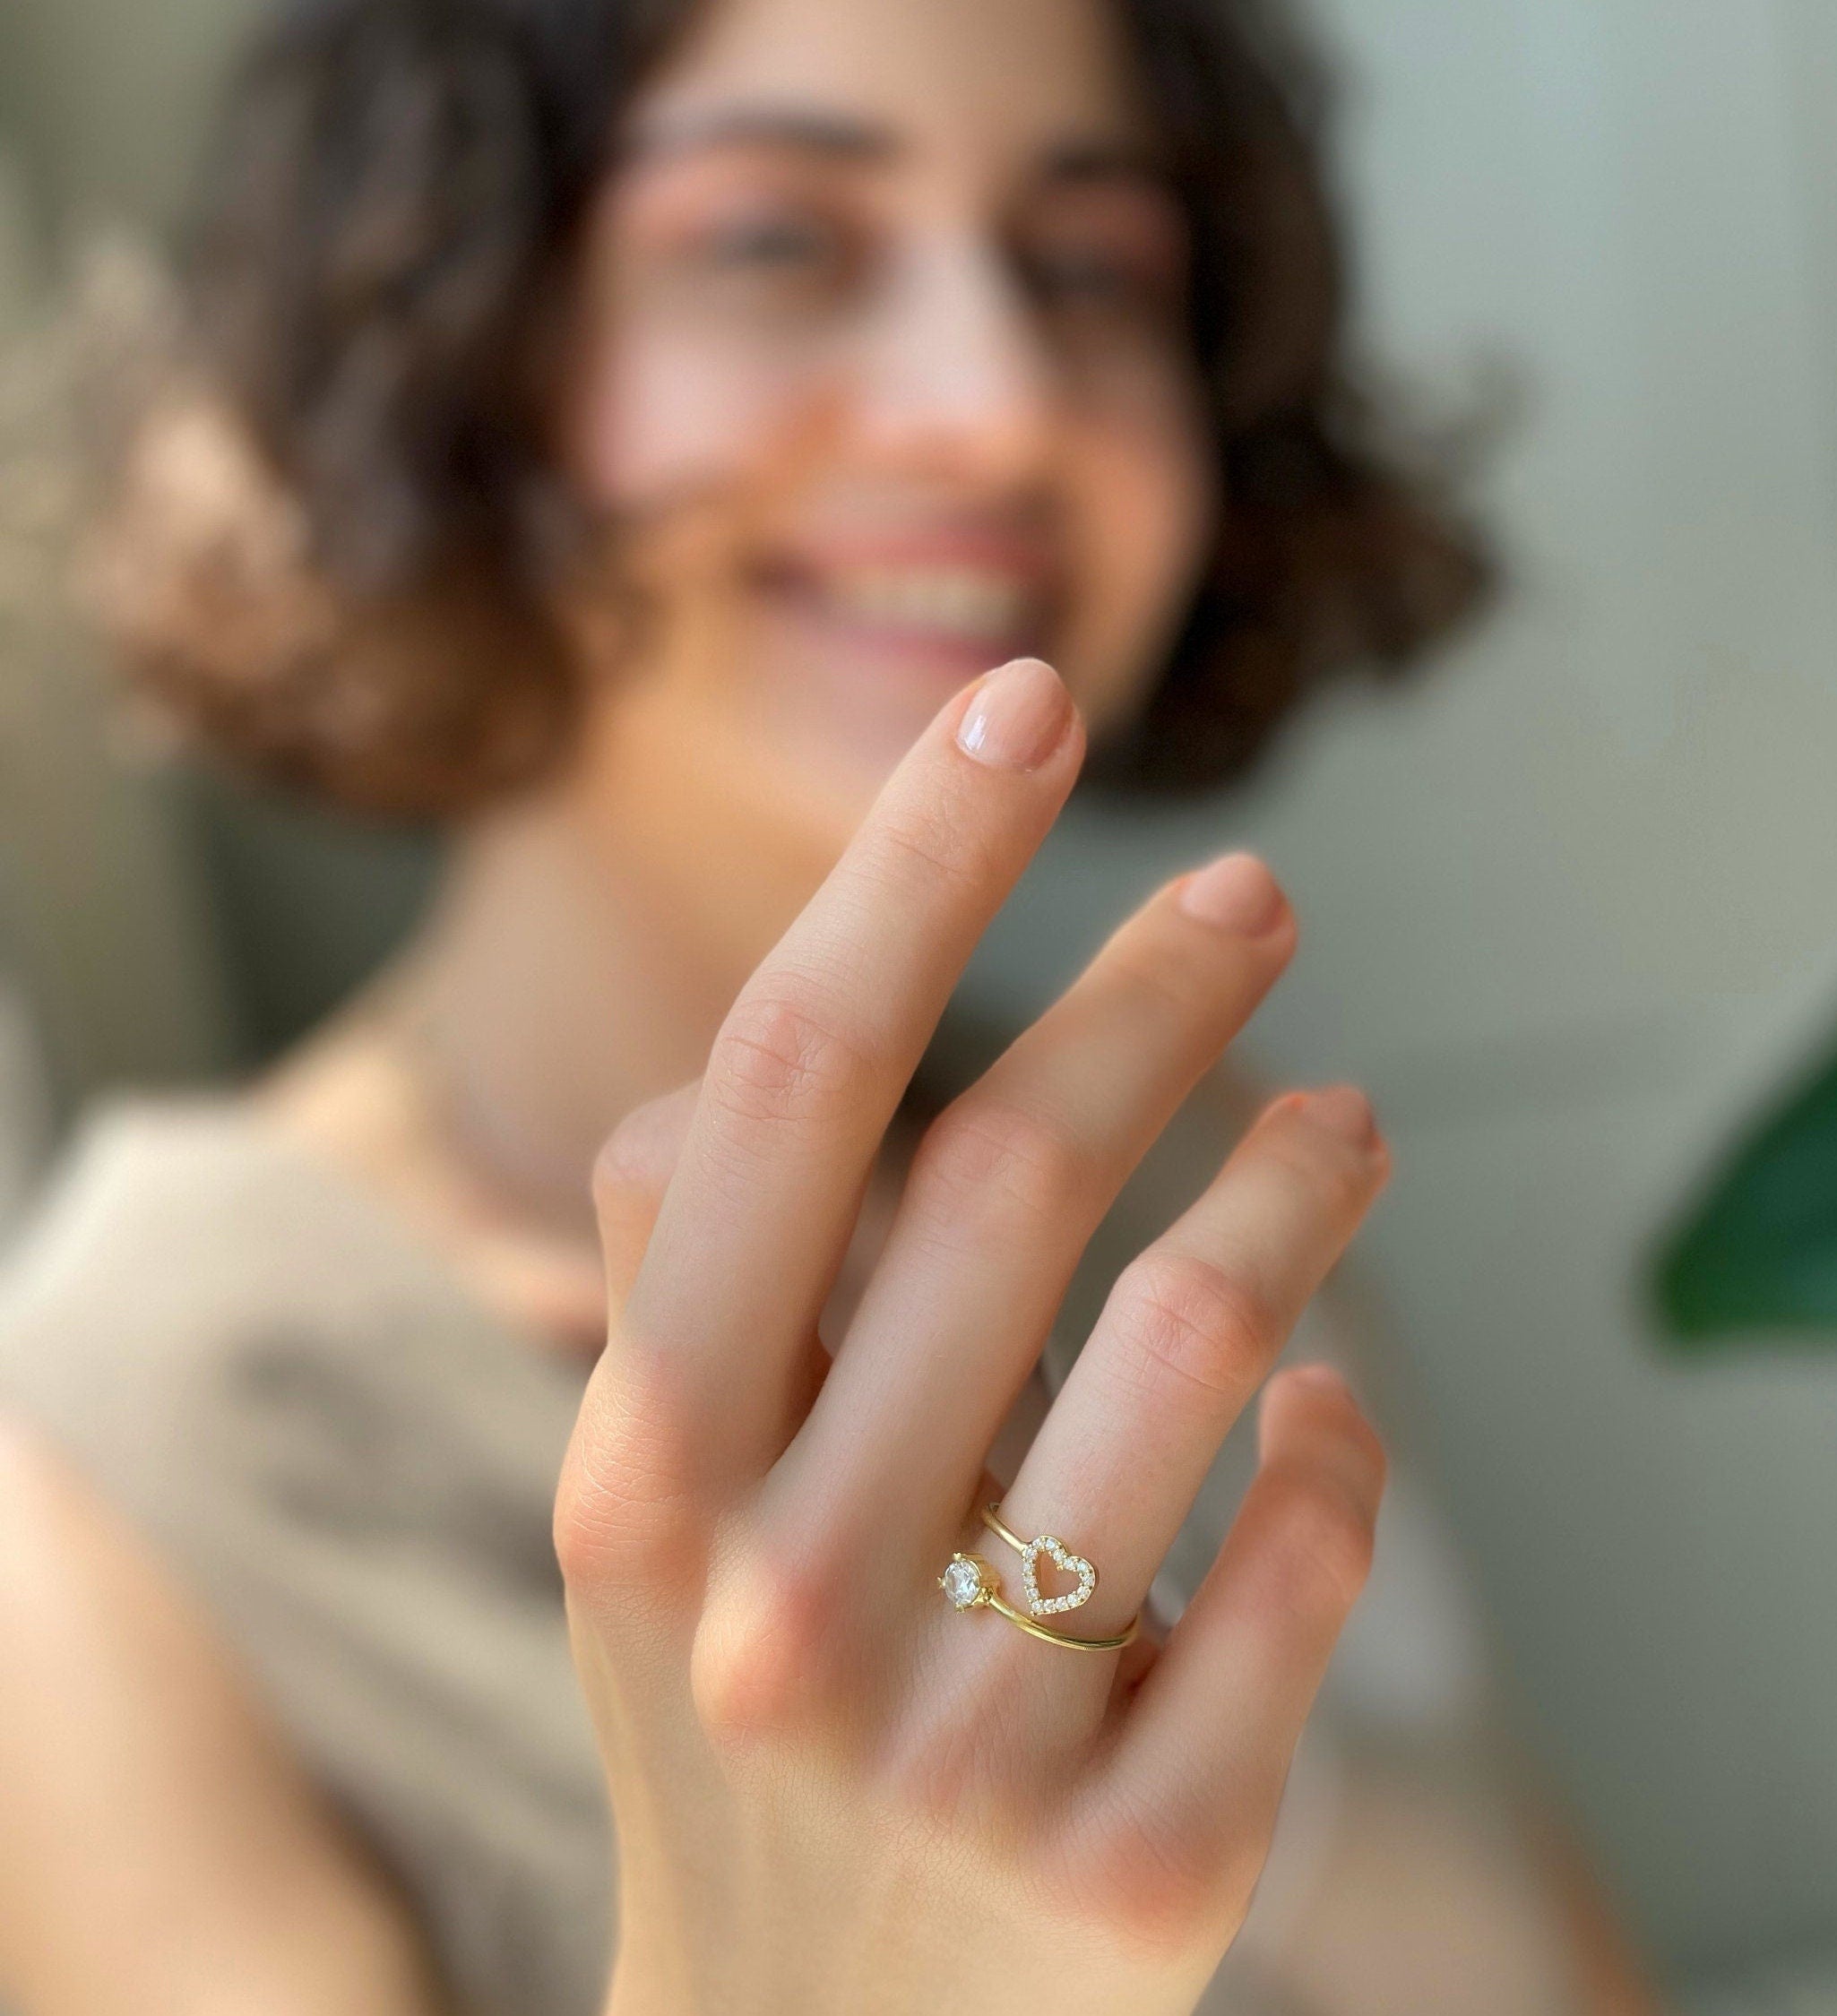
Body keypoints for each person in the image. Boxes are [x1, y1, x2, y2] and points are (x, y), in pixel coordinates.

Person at [0, 0, 1657, 2009]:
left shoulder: (1187, 1197)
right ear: (435, 356)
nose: (995, 401)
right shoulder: (101, 1465)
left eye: (1091, 266)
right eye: (774, 240)